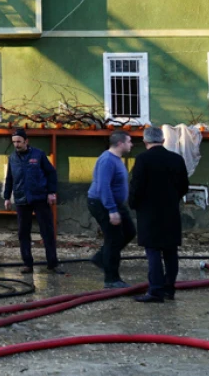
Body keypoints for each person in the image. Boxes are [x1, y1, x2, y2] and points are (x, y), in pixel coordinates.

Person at [127, 126, 189, 303]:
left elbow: (136, 185)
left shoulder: (142, 159)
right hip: (170, 210)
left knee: (153, 251)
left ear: (145, 141)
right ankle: (169, 289)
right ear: (163, 140)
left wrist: (133, 203)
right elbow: (184, 185)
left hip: (149, 211)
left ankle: (155, 290)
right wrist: (173, 198)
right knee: (170, 251)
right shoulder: (176, 159)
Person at [2, 128, 62, 274]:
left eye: (19, 142)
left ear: (26, 141)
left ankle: (52, 264)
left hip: (40, 197)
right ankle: (27, 263)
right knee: (23, 232)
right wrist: (7, 197)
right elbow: (9, 179)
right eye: (14, 142)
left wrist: (51, 192)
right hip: (21, 199)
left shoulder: (38, 154)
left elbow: (51, 173)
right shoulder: (12, 158)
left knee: (47, 231)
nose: (16, 145)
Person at [87, 130, 137, 288]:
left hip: (115, 204)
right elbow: (103, 187)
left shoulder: (116, 159)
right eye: (129, 141)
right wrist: (111, 210)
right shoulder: (107, 160)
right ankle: (111, 279)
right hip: (102, 203)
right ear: (120, 143)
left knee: (129, 232)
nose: (131, 144)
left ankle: (102, 257)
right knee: (113, 239)